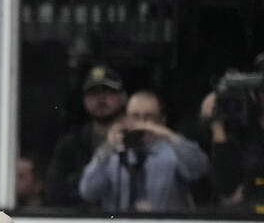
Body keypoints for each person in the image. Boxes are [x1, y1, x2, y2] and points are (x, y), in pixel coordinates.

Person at [79, 89, 209, 212]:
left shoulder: (173, 152)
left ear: (161, 120)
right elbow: (88, 191)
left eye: (149, 117)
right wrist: (107, 148)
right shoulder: (113, 153)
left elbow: (199, 169)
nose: (141, 123)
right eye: (135, 116)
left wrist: (170, 136)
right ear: (126, 119)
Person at [44, 64, 128, 207]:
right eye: (93, 93)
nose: (101, 98)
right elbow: (54, 193)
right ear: (84, 100)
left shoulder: (136, 140)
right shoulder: (70, 145)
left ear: (123, 97)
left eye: (108, 91)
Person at [204, 53, 264, 214]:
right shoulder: (239, 125)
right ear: (256, 94)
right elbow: (225, 186)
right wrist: (217, 127)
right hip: (244, 215)